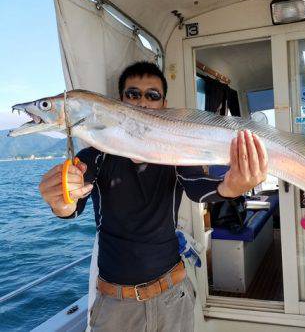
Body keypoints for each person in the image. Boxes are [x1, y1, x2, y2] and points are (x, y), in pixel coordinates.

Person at [38, 61, 268, 331]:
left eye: (152, 95)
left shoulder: (175, 151)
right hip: (115, 305)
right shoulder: (95, 154)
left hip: (172, 295)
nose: (142, 102)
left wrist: (233, 186)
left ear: (164, 104)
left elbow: (198, 188)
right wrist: (61, 199)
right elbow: (72, 204)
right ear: (120, 101)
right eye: (133, 94)